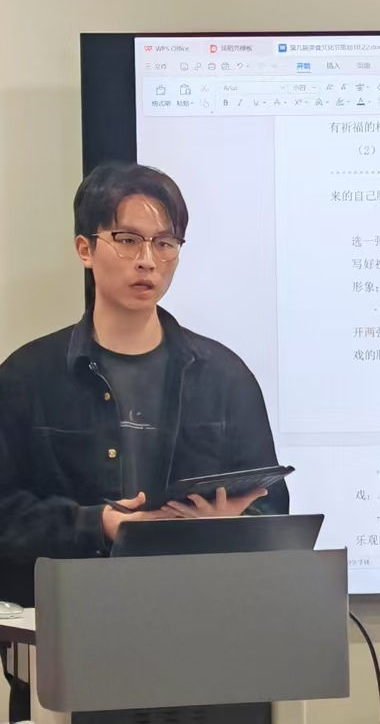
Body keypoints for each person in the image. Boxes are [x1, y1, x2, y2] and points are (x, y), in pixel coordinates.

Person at [0, 162, 289, 721]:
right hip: (78, 652)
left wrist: (230, 524)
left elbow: (271, 504)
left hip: (212, 652)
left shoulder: (225, 376)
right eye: (128, 239)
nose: (148, 260)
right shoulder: (26, 378)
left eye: (165, 243)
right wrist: (100, 524)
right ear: (85, 249)